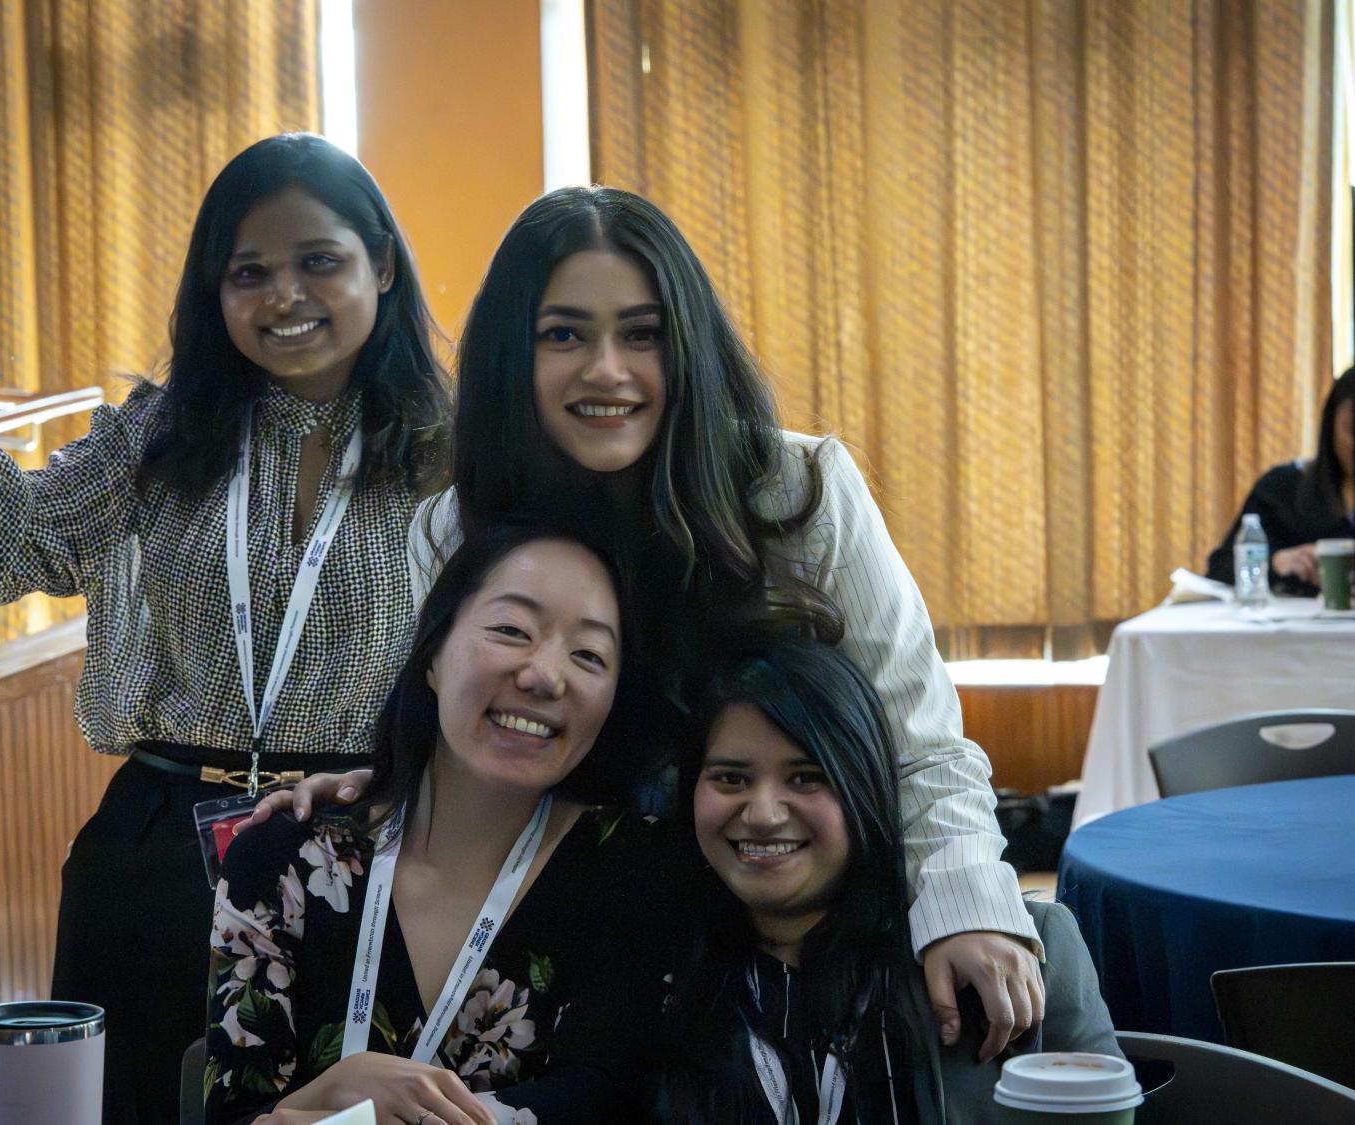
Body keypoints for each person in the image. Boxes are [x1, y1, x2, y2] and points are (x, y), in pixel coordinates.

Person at [247, 186, 1045, 1057]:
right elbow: (487, 738)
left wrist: (968, 908)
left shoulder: (797, 492)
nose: (607, 371)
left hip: (797, 926)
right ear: (515, 355)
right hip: (602, 950)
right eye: (564, 335)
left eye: (642, 333)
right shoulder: (455, 526)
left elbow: (918, 739)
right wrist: (388, 784)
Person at [0, 133, 447, 1122]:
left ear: (381, 266)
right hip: (154, 852)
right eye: (248, 272)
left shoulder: (458, 454)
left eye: (319, 261)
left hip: (366, 839)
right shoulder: (157, 440)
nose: (284, 296)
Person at [206, 525, 669, 1125]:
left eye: (589, 655)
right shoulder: (280, 861)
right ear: (431, 654)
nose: (545, 675)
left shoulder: (638, 870)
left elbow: (611, 1098)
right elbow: (232, 1110)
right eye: (511, 631)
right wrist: (327, 1096)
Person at [654, 636, 1118, 1124]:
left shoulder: (1022, 953)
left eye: (807, 777)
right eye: (731, 779)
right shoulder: (652, 971)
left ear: (869, 788)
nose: (764, 815)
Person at [1206, 366, 1355, 596]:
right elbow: (1221, 567)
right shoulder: (1282, 488)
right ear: (1331, 424)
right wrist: (1278, 562)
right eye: (1353, 429)